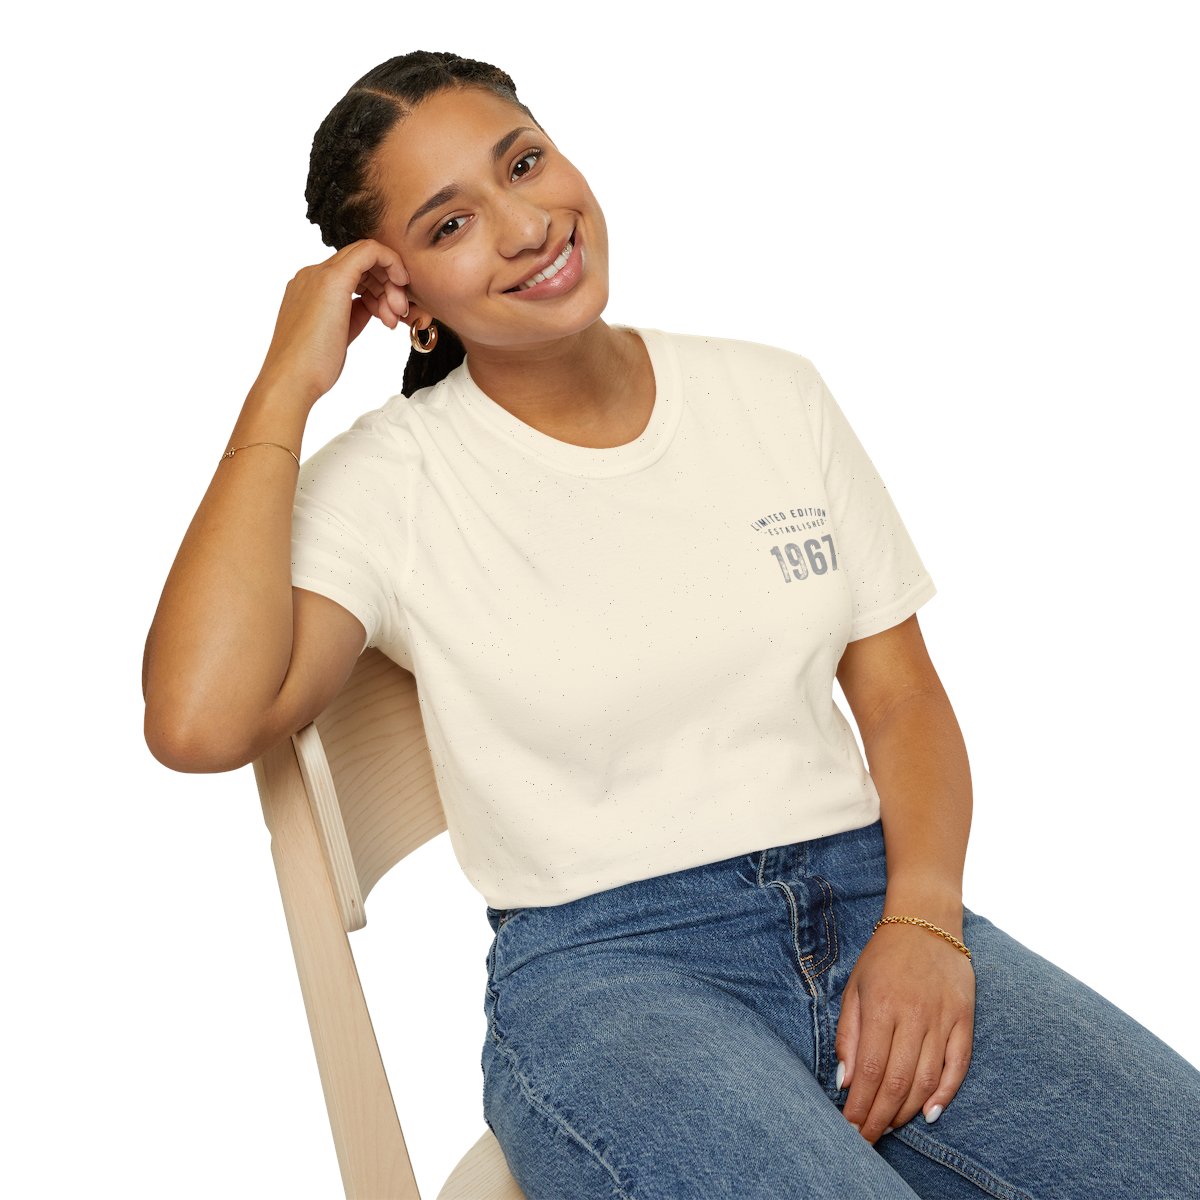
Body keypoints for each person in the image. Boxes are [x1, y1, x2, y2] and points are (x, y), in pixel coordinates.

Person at [142, 50, 1200, 1199]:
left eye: (524, 164)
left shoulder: (774, 394)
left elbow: (901, 700)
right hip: (610, 975)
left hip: (874, 901)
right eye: (451, 224)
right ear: (404, 298)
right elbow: (199, 720)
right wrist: (284, 384)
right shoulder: (392, 481)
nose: (526, 226)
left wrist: (926, 921)